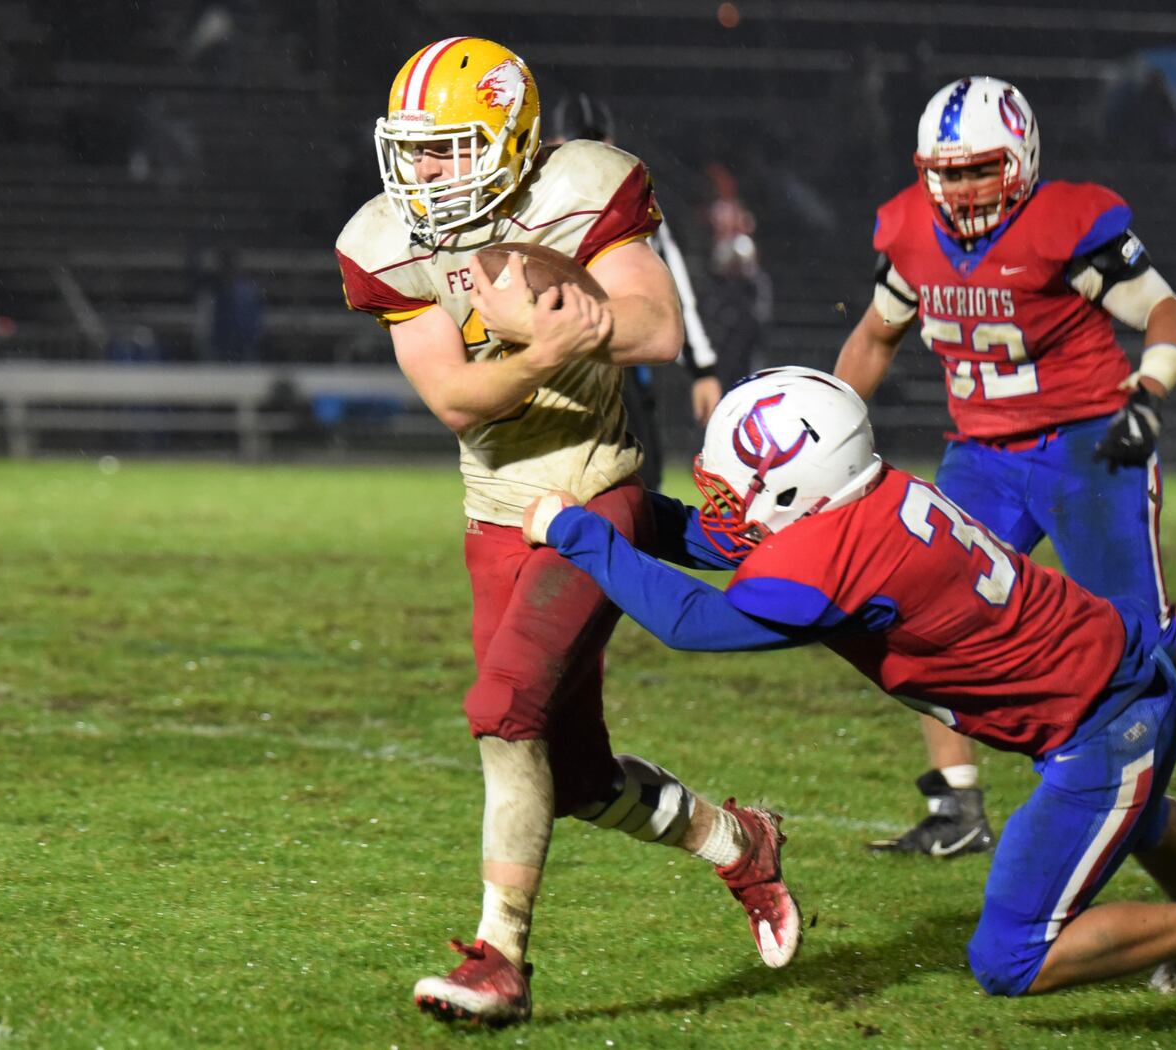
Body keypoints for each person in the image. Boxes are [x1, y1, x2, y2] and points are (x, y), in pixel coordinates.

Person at [521, 367, 1176, 999]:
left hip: (1104, 726)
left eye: (734, 489)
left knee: (1011, 957)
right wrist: (638, 515)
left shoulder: (830, 556)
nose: (721, 504)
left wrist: (576, 532)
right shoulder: (865, 500)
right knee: (1139, 818)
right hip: (1115, 685)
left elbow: (691, 620)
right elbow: (736, 542)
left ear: (800, 488)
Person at [334, 38, 800, 1028]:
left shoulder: (579, 186)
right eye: (412, 151)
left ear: (508, 139)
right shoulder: (385, 239)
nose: (422, 173)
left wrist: (578, 325)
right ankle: (738, 842)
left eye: (448, 149)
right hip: (495, 508)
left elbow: (659, 327)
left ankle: (497, 960)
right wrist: (541, 343)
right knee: (576, 773)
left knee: (502, 711)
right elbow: (458, 399)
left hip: (596, 487)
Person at [831, 76, 1176, 858]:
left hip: (1089, 442)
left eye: (981, 168)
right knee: (914, 605)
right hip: (981, 451)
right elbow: (876, 336)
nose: (961, 188)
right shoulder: (912, 230)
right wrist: (830, 424)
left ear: (1021, 160)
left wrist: (1149, 391)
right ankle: (956, 806)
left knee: (1133, 637)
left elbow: (1168, 312)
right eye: (946, 171)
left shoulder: (1065, 225)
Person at [545, 91, 723, 489]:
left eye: (596, 142)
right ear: (554, 145)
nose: (589, 154)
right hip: (555, 364)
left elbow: (675, 285)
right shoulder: (532, 206)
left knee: (641, 486)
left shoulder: (629, 203)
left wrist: (702, 369)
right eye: (579, 142)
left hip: (618, 362)